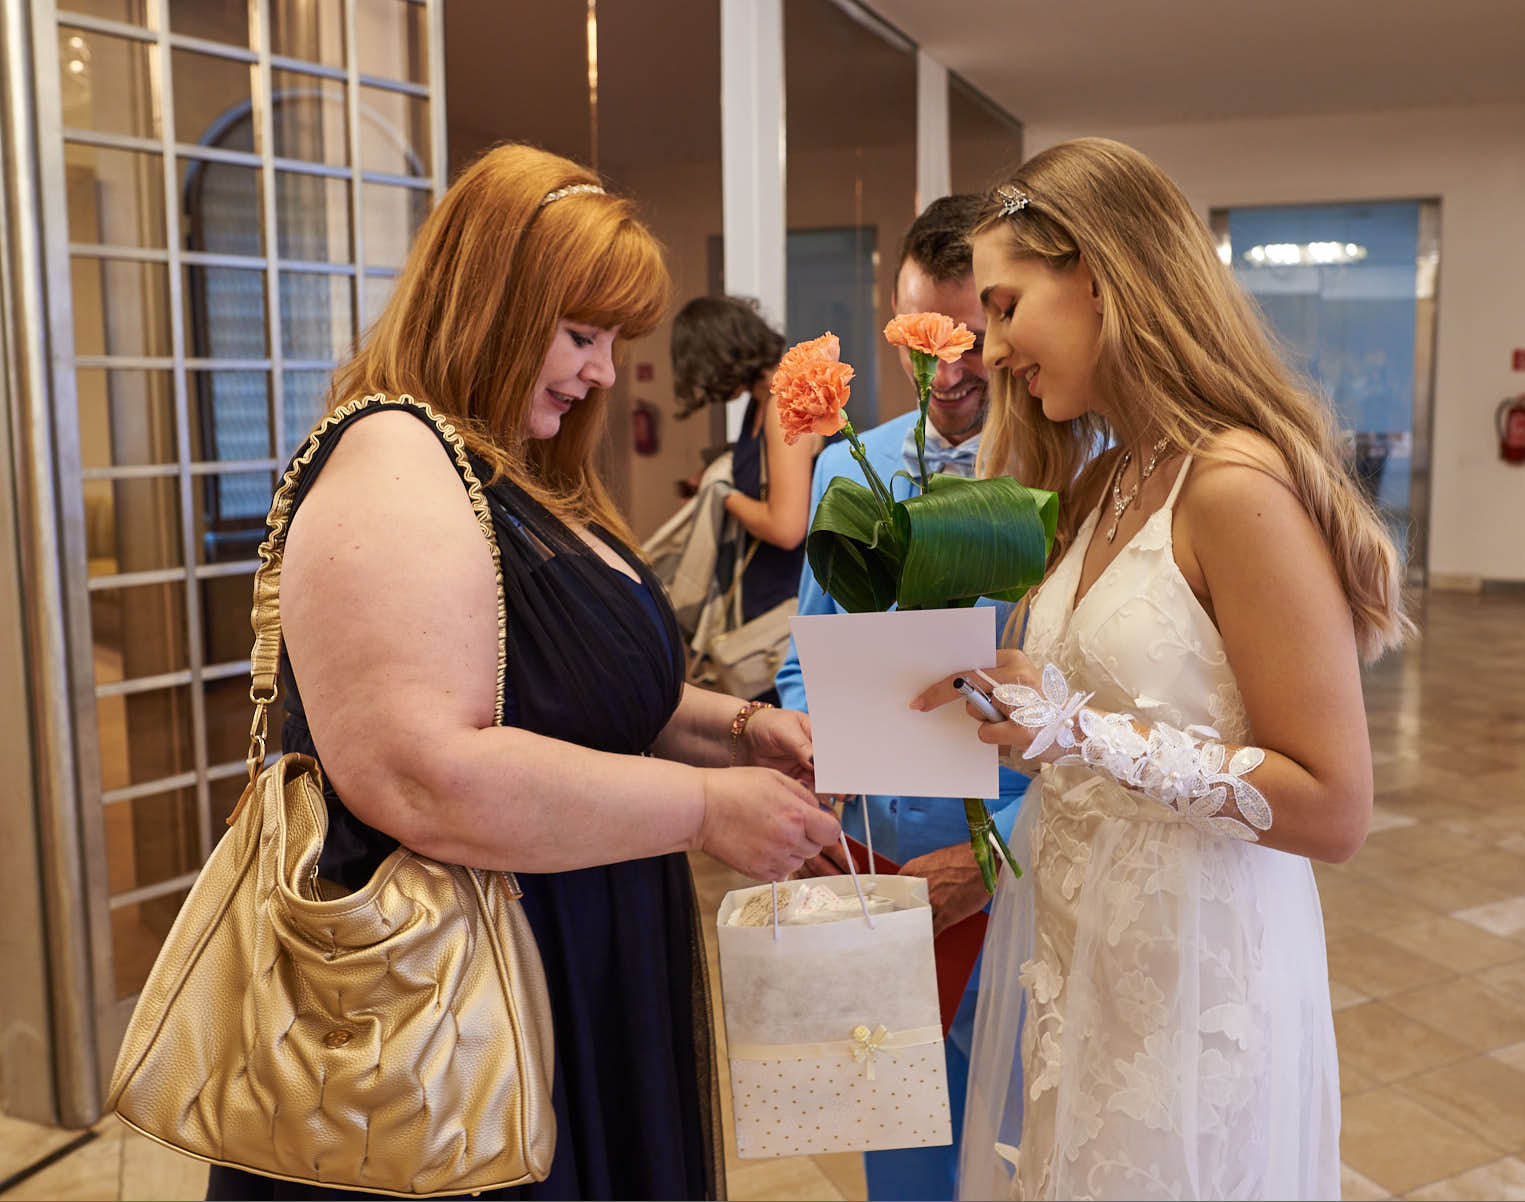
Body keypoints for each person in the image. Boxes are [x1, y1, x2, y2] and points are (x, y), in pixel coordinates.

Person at [207, 144, 839, 1201]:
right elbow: (422, 774)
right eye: (581, 334)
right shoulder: (392, 458)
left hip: (565, 953)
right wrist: (703, 807)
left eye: (613, 340)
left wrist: (734, 728)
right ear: (487, 304)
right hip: (454, 996)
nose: (602, 370)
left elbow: (566, 693)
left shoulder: (502, 466)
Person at [916, 138, 1409, 1200]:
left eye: (1006, 305)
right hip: (1087, 975)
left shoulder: (1235, 482)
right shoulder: (1104, 478)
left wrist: (1074, 728)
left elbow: (1335, 805)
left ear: (1095, 271)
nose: (992, 348)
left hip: (1197, 988)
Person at [774, 194, 1033, 1202]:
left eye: (972, 336)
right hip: (887, 868)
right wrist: (818, 754)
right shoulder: (854, 462)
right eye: (927, 332)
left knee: (1031, 1136)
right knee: (906, 1153)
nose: (951, 367)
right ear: (895, 311)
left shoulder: (1077, 471)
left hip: (1017, 864)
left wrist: (995, 852)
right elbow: (811, 656)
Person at [671, 296, 823, 693]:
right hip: (766, 599)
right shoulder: (759, 404)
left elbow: (787, 526)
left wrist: (721, 495)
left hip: (787, 602)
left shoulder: (781, 406)